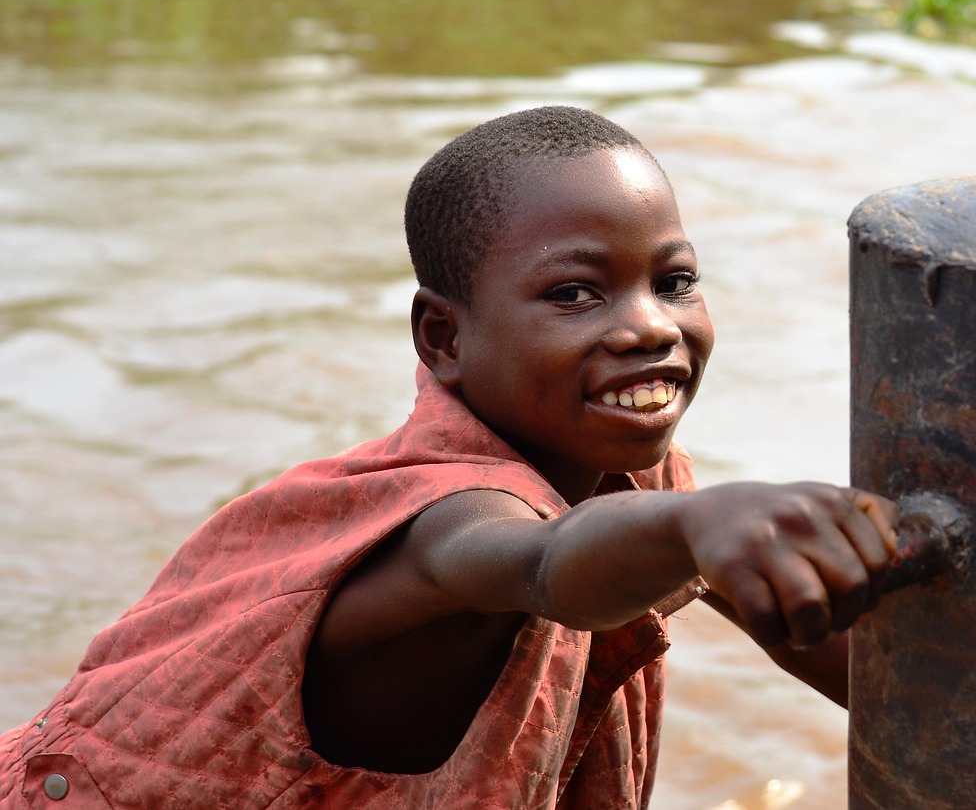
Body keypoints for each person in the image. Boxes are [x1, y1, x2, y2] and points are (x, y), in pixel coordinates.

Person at [0, 105, 897, 808]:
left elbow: (871, 674)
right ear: (444, 337)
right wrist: (701, 523)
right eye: (576, 293)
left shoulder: (646, 488)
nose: (651, 326)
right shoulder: (445, 521)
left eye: (674, 281)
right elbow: (551, 563)